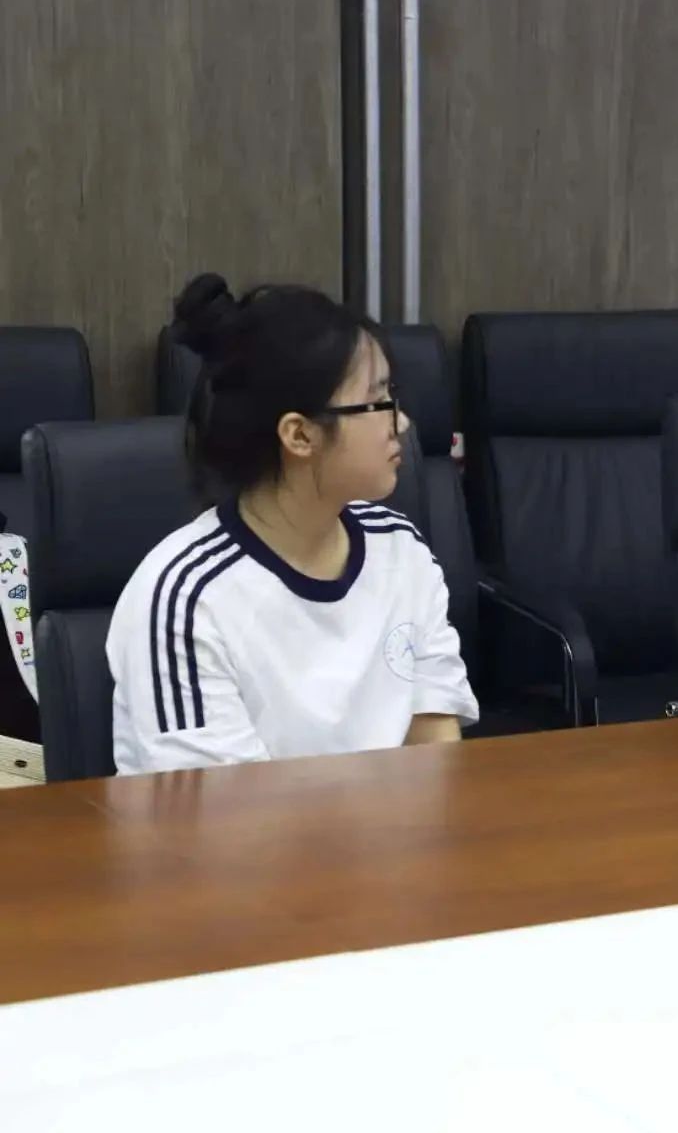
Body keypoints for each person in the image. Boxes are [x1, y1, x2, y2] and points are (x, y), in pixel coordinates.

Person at [106, 274, 476, 773]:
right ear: (300, 435)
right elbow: (221, 807)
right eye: (379, 401)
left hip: (395, 822)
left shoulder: (399, 548)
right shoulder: (185, 597)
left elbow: (435, 744)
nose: (402, 422)